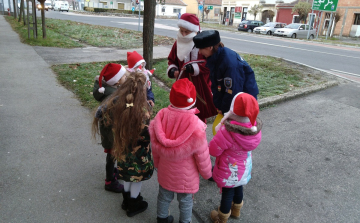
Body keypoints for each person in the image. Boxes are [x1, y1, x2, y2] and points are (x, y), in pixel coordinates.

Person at [149, 78, 213, 223]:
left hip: (166, 170)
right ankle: (185, 221)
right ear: (192, 101)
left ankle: (162, 218)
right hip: (187, 177)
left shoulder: (161, 117)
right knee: (186, 201)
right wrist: (207, 173)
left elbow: (156, 148)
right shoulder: (197, 126)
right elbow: (202, 155)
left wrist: (157, 164)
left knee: (164, 196)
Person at [92, 71, 154, 217]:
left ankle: (126, 199)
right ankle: (133, 204)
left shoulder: (116, 103)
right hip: (139, 156)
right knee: (136, 179)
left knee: (126, 176)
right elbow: (147, 135)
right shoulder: (143, 111)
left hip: (121, 151)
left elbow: (100, 113)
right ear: (142, 90)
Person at [209, 92, 262, 223]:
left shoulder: (227, 131)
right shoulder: (254, 130)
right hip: (244, 168)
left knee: (227, 194)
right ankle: (236, 210)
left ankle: (222, 218)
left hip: (229, 170)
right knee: (239, 187)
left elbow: (213, 150)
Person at [193, 30, 259, 116]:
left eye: (201, 49)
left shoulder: (229, 64)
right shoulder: (215, 58)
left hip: (244, 101)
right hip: (232, 100)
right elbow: (217, 85)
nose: (200, 52)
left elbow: (233, 91)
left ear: (210, 47)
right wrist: (219, 106)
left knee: (239, 128)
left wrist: (224, 110)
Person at [167, 13, 217, 123]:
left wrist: (194, 68)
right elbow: (172, 60)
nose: (183, 34)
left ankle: (198, 134)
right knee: (181, 109)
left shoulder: (202, 42)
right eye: (181, 30)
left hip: (200, 84)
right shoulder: (177, 43)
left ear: (194, 31)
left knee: (199, 111)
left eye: (187, 31)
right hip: (182, 84)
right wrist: (173, 70)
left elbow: (210, 62)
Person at [92, 63, 129, 193]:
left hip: (108, 129)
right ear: (117, 80)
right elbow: (117, 114)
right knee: (112, 154)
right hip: (111, 131)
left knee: (112, 154)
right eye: (124, 76)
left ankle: (113, 172)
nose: (125, 77)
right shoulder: (113, 97)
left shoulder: (107, 91)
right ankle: (109, 181)